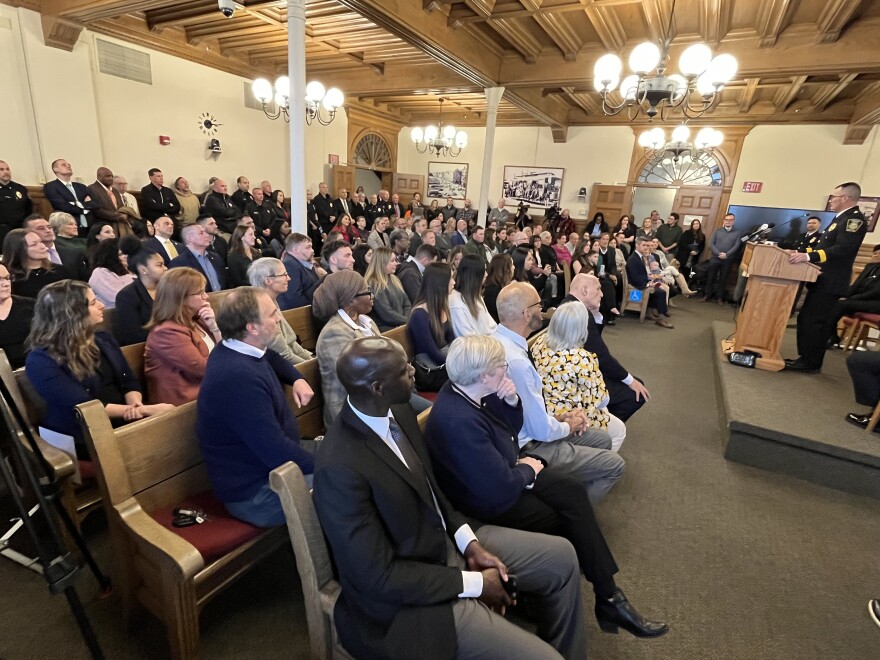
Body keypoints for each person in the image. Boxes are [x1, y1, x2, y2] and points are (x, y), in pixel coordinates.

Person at [314, 336, 589, 660]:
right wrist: (474, 583)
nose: (415, 372)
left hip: (443, 546)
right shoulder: (339, 464)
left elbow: (433, 493)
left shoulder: (397, 411)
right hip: (408, 601)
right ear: (377, 387)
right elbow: (379, 578)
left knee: (563, 557)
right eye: (404, 371)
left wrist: (470, 545)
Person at [426, 335, 668, 642]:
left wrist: (513, 401)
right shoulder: (458, 420)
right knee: (562, 518)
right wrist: (529, 467)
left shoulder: (472, 391)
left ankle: (609, 596)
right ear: (484, 375)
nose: (506, 371)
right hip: (485, 502)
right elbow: (497, 488)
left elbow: (509, 433)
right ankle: (584, 600)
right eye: (501, 366)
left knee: (572, 490)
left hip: (506, 472)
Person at [492, 283, 624, 503]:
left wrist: (561, 418)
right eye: (538, 305)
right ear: (526, 314)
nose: (542, 310)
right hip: (528, 446)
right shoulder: (516, 361)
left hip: (528, 429)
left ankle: (568, 491)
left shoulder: (508, 341)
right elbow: (539, 429)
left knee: (602, 439)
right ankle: (574, 512)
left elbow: (531, 413)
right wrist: (567, 425)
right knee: (615, 464)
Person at [197, 287, 315, 526]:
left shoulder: (235, 347)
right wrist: (328, 466)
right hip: (256, 492)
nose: (279, 318)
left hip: (271, 466)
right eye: (273, 314)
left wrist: (297, 378)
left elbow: (270, 357)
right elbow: (274, 451)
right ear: (252, 327)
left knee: (351, 458)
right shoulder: (237, 377)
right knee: (348, 482)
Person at [25, 280, 172, 459]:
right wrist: (143, 411)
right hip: (81, 433)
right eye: (94, 303)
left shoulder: (103, 338)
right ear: (71, 313)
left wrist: (136, 405)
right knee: (156, 447)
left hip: (123, 417)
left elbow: (128, 380)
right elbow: (83, 406)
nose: (102, 305)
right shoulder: (41, 360)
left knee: (173, 436)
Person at [786, 182, 868, 373]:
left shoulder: (853, 221)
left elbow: (842, 249)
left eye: (834, 197)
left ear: (846, 198)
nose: (831, 200)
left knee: (814, 321)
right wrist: (799, 251)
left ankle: (810, 362)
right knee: (808, 319)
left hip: (831, 280)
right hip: (822, 277)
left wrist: (808, 257)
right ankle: (806, 358)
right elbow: (822, 248)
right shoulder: (841, 219)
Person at [531, 303, 626, 451]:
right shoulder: (582, 358)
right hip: (569, 417)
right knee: (619, 429)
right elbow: (602, 401)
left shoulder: (540, 342)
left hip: (543, 409)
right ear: (581, 329)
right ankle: (598, 465)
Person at [564, 273, 650, 421]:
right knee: (636, 393)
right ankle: (602, 426)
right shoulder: (579, 314)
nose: (602, 294)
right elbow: (600, 355)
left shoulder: (572, 306)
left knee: (634, 383)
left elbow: (594, 344)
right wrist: (629, 380)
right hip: (576, 380)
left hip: (579, 368)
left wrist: (596, 316)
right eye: (598, 289)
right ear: (584, 290)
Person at [313, 270, 383, 428]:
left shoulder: (367, 322)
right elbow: (353, 378)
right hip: (351, 412)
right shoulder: (334, 332)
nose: (373, 296)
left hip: (377, 397)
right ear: (350, 300)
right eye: (368, 291)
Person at [144, 267, 222, 406]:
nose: (206, 296)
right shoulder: (166, 333)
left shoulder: (197, 321)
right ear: (181, 298)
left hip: (208, 393)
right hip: (186, 403)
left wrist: (214, 329)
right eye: (200, 293)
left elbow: (227, 357)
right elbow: (203, 370)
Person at [248, 258, 313, 365]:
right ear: (268, 281)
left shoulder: (272, 300)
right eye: (284, 275)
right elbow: (283, 355)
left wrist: (311, 359)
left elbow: (291, 342)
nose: (289, 278)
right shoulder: (260, 308)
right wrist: (312, 366)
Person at [407, 262, 455, 388]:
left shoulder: (442, 306)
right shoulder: (419, 314)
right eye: (450, 278)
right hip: (432, 371)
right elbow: (433, 353)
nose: (454, 282)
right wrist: (458, 363)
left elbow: (452, 340)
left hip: (445, 363)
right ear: (440, 282)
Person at [114, 242, 167, 345]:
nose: (165, 268)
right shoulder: (127, 296)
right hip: (149, 347)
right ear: (143, 270)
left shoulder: (168, 288)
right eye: (159, 265)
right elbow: (133, 335)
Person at [3, 228, 69, 299]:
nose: (43, 246)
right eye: (34, 244)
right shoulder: (9, 277)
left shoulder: (59, 271)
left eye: (40, 242)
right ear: (19, 249)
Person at [627, 236, 674, 329]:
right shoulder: (633, 258)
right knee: (661, 292)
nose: (646, 247)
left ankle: (649, 311)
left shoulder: (640, 257)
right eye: (643, 245)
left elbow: (642, 274)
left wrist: (650, 281)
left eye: (646, 245)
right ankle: (661, 318)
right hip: (636, 285)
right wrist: (648, 284)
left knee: (659, 289)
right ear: (637, 245)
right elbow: (634, 277)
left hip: (642, 282)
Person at [43, 159, 97, 236]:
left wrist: (75, 203)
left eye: (69, 165)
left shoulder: (81, 186)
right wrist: (85, 205)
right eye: (63, 165)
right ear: (55, 169)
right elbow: (62, 206)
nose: (68, 166)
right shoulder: (51, 186)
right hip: (68, 225)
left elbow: (95, 203)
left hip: (89, 224)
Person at [169, 223, 227, 292]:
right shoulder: (179, 263)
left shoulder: (216, 257)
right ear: (189, 238)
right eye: (201, 233)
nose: (207, 235)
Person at [364, 247, 411, 331]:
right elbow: (386, 314)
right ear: (382, 263)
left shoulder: (394, 279)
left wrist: (407, 320)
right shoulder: (374, 284)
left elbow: (406, 304)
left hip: (402, 325)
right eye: (392, 261)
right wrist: (408, 321)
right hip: (386, 330)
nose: (396, 263)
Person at [449, 254, 496, 337]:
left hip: (490, 342)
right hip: (478, 347)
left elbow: (491, 326)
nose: (486, 274)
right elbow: (467, 337)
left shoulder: (476, 295)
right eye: (483, 271)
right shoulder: (455, 302)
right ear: (474, 274)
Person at [0, 263, 35, 369]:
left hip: (32, 366)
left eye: (7, 278)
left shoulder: (31, 305)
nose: (6, 284)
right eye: (0, 279)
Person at [278, 233, 326, 310]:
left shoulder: (304, 263)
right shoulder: (290, 264)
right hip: (299, 314)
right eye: (308, 247)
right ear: (295, 249)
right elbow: (294, 297)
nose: (312, 250)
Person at [702, 213, 742, 303]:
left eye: (730, 220)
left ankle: (719, 297)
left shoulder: (737, 232)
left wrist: (727, 254)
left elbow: (737, 245)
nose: (728, 221)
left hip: (728, 259)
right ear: (724, 221)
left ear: (733, 221)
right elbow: (711, 244)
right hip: (715, 257)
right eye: (726, 220)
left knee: (723, 278)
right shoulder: (717, 231)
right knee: (710, 277)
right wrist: (718, 253)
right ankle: (707, 295)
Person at [87, 237, 136, 308]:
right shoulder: (100, 272)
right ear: (111, 256)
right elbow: (117, 297)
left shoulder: (134, 270)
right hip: (114, 314)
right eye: (121, 254)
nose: (126, 256)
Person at [0, 160, 33, 243]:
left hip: (20, 229)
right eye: (1, 169)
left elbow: (28, 209)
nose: (6, 172)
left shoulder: (20, 189)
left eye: (7, 169)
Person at [226, 223, 260, 288]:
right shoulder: (233, 256)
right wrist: (255, 283)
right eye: (251, 234)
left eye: (254, 234)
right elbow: (237, 280)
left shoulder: (257, 253)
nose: (254, 237)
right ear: (241, 237)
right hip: (244, 291)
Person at [483, 253, 514, 323]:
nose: (514, 267)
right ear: (505, 269)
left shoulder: (499, 286)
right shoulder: (493, 290)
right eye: (512, 265)